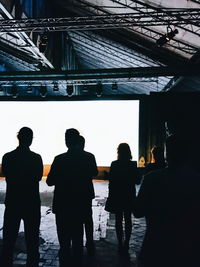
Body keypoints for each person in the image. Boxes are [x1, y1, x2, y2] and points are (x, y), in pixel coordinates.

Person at [133, 134, 200, 267]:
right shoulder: (196, 181)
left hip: (155, 246)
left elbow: (138, 211)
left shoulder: (151, 179)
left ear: (166, 153)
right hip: (188, 249)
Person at [46, 128, 98, 266]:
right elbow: (94, 172)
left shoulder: (59, 159)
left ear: (67, 141)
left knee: (64, 242)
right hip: (80, 204)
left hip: (62, 204)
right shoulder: (88, 157)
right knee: (77, 240)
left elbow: (49, 181)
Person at [0, 127, 43, 267]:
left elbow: (6, 174)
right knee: (32, 241)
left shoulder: (7, 157)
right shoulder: (36, 158)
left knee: (9, 240)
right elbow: (37, 177)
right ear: (30, 139)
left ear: (18, 138)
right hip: (31, 202)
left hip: (13, 201)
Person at [107, 143, 139, 256]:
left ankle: (120, 242)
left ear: (118, 152)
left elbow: (111, 182)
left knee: (118, 220)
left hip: (117, 195)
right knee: (128, 220)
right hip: (129, 195)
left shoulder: (114, 164)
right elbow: (137, 181)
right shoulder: (133, 164)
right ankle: (127, 242)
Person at [77, 135, 97, 256]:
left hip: (76, 192)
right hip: (86, 191)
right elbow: (94, 172)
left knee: (77, 218)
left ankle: (77, 243)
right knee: (88, 218)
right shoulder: (90, 156)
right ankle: (90, 241)